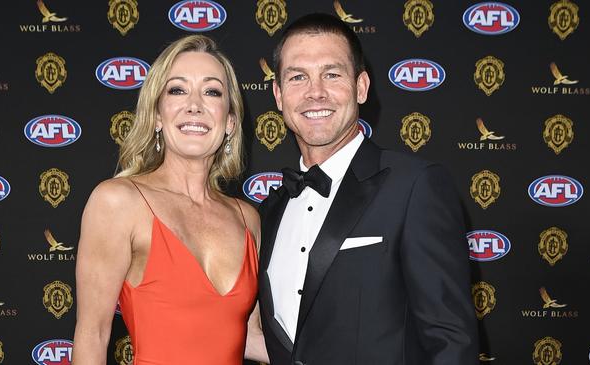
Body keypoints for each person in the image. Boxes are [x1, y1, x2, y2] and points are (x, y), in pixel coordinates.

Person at [258, 13, 479, 364]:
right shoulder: (269, 211)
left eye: (332, 74)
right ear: (279, 95)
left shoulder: (415, 186)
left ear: (361, 87)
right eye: (298, 77)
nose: (315, 92)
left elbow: (451, 341)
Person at [72, 35, 268, 364]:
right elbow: (93, 335)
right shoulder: (118, 202)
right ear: (158, 116)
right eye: (177, 90)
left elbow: (248, 336)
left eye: (212, 91)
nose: (194, 104)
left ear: (230, 122)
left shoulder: (247, 218)